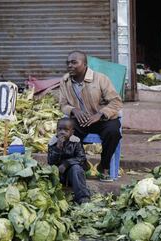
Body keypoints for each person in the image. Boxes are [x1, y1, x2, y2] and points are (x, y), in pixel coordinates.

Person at [59, 50, 123, 182]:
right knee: (66, 131)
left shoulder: (100, 78)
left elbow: (116, 101)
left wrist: (100, 114)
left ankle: (103, 166)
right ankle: (83, 164)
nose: (69, 65)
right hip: (80, 120)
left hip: (102, 119)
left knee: (113, 132)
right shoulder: (65, 81)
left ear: (85, 64)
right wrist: (74, 110)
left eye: (74, 62)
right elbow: (63, 104)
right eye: (68, 63)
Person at [48, 118, 90, 204]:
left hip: (73, 174)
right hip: (59, 174)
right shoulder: (52, 143)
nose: (62, 132)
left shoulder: (76, 142)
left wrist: (66, 163)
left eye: (66, 130)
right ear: (56, 130)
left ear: (72, 132)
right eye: (60, 129)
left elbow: (81, 158)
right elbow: (50, 161)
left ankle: (83, 198)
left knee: (76, 168)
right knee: (49, 171)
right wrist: (58, 148)